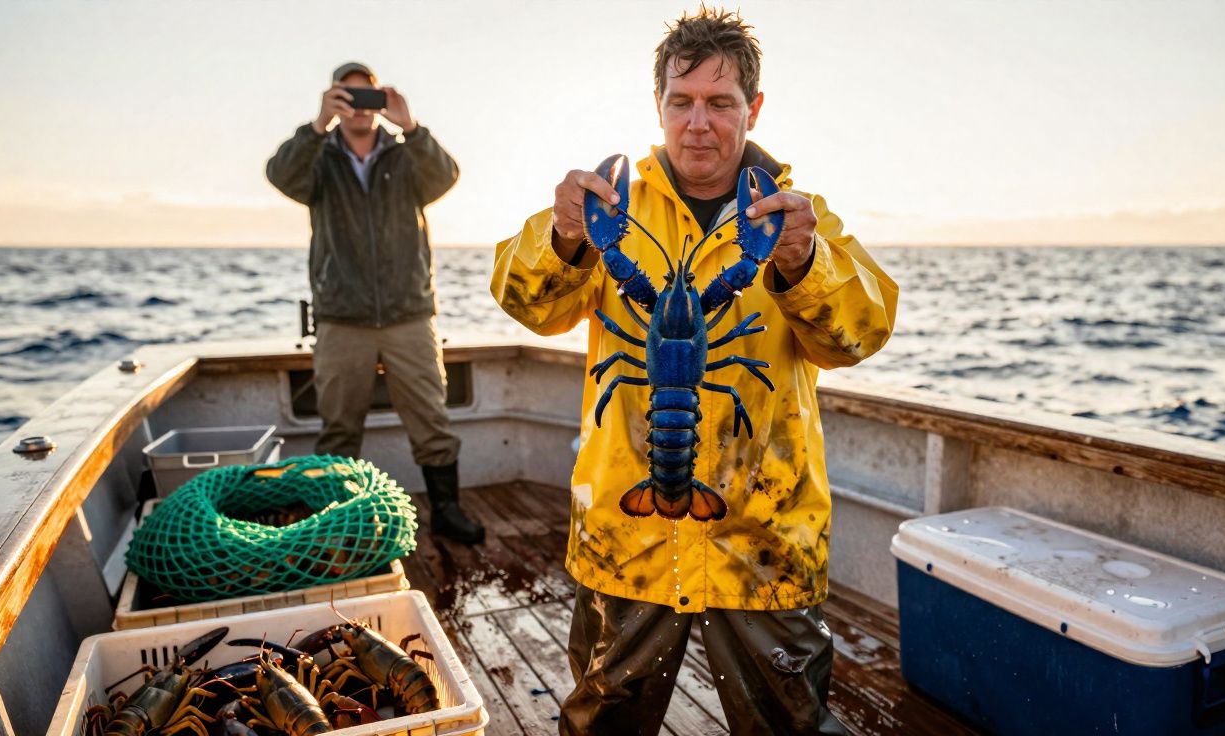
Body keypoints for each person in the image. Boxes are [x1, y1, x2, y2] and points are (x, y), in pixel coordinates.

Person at [492, 8, 898, 735]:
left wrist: (804, 262)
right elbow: (527, 304)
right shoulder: (608, 209)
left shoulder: (796, 218)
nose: (698, 124)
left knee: (787, 723)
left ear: (754, 108)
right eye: (681, 102)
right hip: (628, 538)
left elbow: (861, 334)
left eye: (720, 103)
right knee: (602, 722)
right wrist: (563, 237)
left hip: (762, 539)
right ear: (658, 107)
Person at [267, 62, 484, 545]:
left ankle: (447, 512)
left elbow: (446, 176)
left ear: (380, 103)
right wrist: (315, 126)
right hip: (341, 317)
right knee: (339, 429)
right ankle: (338, 524)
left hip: (410, 313)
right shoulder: (319, 160)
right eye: (348, 97)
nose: (359, 109)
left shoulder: (406, 157)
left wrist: (412, 126)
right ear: (334, 100)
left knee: (432, 420)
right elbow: (280, 175)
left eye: (367, 98)